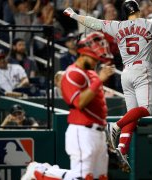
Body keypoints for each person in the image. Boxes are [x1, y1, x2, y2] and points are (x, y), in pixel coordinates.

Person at [63, 0, 152, 172]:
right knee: (146, 109)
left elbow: (93, 22)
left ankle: (122, 149)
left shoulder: (117, 26)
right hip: (142, 70)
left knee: (133, 116)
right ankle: (116, 126)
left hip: (126, 73)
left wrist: (74, 15)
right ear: (138, 10)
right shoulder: (149, 23)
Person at [61, 32, 115, 179]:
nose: (95, 62)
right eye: (93, 59)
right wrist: (99, 80)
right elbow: (79, 102)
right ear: (83, 54)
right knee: (82, 177)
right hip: (81, 131)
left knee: (101, 177)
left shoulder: (91, 73)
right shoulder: (72, 73)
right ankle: (41, 172)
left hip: (98, 132)